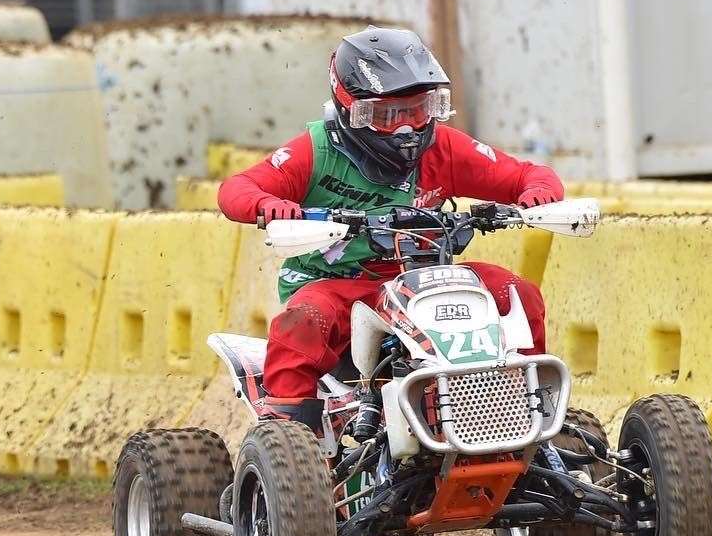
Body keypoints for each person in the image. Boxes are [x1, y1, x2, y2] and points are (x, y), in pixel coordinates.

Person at [217, 26, 563, 428]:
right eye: (385, 115)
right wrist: (268, 204)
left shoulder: (443, 148)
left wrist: (538, 191)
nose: (406, 129)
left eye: (418, 110)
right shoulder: (316, 151)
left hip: (427, 278)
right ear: (350, 110)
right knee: (303, 321)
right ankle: (288, 438)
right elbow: (236, 189)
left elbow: (527, 175)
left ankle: (530, 412)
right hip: (343, 285)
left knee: (517, 294)